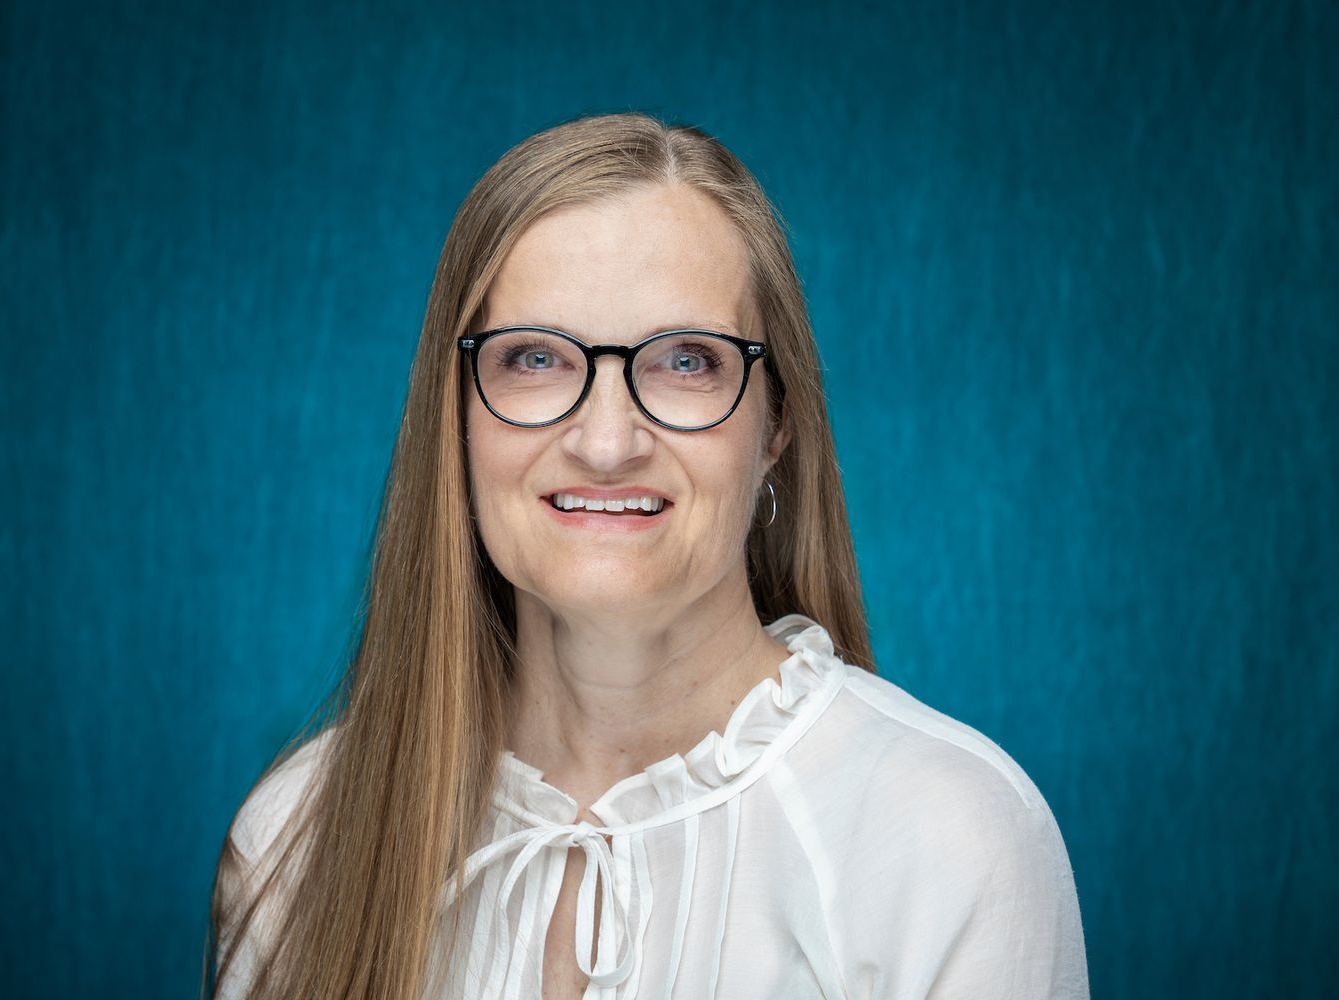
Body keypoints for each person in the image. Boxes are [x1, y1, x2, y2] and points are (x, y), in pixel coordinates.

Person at [205, 112, 1090, 1000]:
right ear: (457, 415)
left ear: (777, 423)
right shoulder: (295, 841)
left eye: (684, 361)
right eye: (536, 358)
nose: (605, 441)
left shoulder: (952, 842)